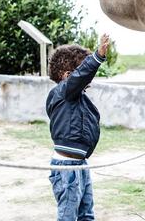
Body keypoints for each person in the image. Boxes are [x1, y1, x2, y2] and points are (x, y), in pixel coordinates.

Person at [46, 34, 110, 221]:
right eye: (81, 71)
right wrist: (97, 57)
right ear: (67, 76)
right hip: (66, 167)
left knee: (86, 214)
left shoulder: (77, 99)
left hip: (80, 164)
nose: (88, 77)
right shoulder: (62, 92)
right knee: (68, 216)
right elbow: (80, 77)